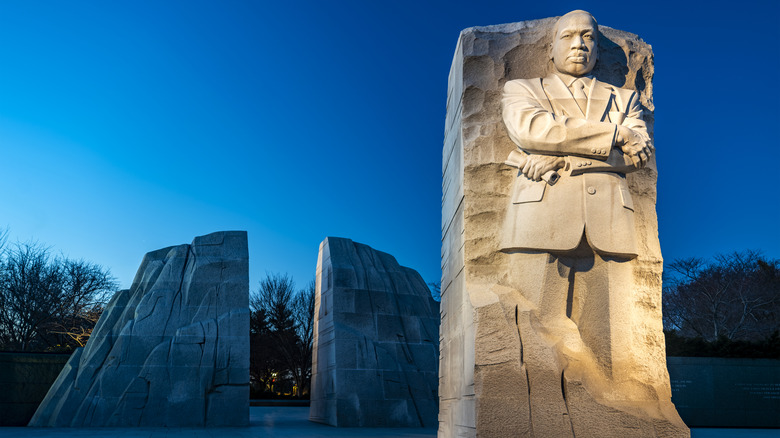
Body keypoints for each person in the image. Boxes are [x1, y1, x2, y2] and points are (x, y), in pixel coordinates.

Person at [499, 9, 656, 435]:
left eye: (587, 36)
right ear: (549, 49)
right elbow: (531, 129)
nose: (579, 44)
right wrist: (611, 137)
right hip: (539, 217)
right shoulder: (522, 89)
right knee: (536, 330)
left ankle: (615, 422)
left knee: (614, 349)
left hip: (610, 221)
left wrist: (560, 155)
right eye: (567, 36)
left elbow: (636, 158)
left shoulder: (625, 99)